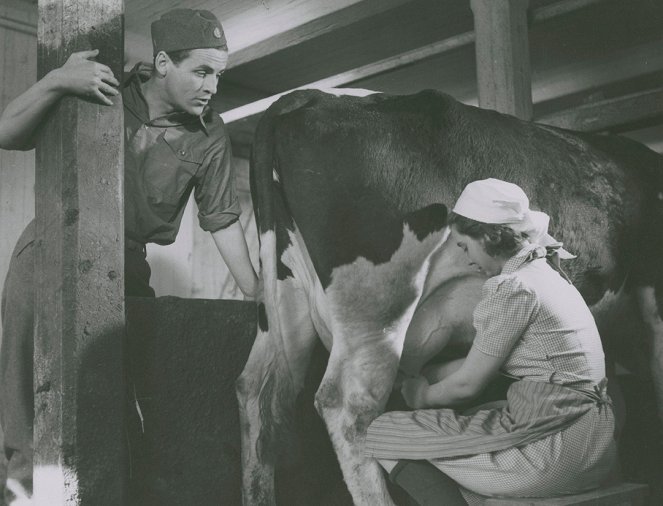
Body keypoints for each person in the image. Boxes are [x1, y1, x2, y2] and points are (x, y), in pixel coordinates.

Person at [1, 8, 257, 504]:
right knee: (24, 392)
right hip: (51, 246)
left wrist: (258, 296)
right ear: (163, 62)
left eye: (219, 74)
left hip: (126, 264)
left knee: (120, 397)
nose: (212, 87)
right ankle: (21, 494)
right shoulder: (101, 88)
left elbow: (222, 220)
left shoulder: (211, 137)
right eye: (201, 71)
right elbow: (8, 133)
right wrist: (57, 80)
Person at [364, 178, 617, 505]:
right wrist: (428, 372)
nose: (467, 259)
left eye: (465, 246)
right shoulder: (547, 273)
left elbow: (467, 385)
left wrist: (419, 394)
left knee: (382, 433)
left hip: (555, 456)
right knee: (484, 412)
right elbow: (486, 364)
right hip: (596, 446)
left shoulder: (512, 288)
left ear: (489, 237)